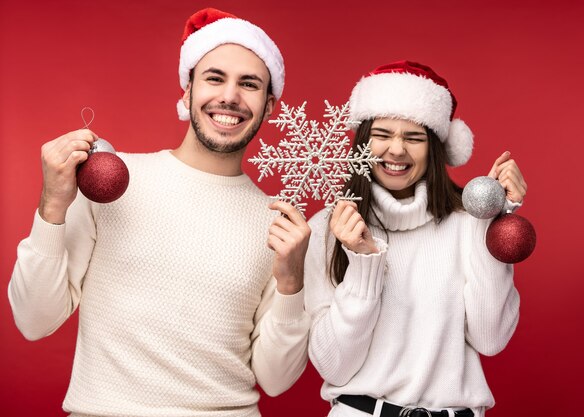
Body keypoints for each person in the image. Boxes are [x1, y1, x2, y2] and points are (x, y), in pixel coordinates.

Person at [8, 7, 311, 417]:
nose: (229, 96)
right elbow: (33, 320)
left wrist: (292, 283)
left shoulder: (280, 225)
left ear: (270, 105)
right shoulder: (109, 183)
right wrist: (52, 206)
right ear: (187, 90)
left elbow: (276, 379)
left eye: (249, 84)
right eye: (214, 78)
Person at [304, 61, 527, 417]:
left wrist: (493, 224)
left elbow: (491, 338)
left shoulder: (467, 223)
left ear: (436, 148)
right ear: (362, 139)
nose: (396, 150)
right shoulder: (326, 229)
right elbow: (334, 366)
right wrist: (363, 263)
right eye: (382, 134)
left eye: (414, 137)